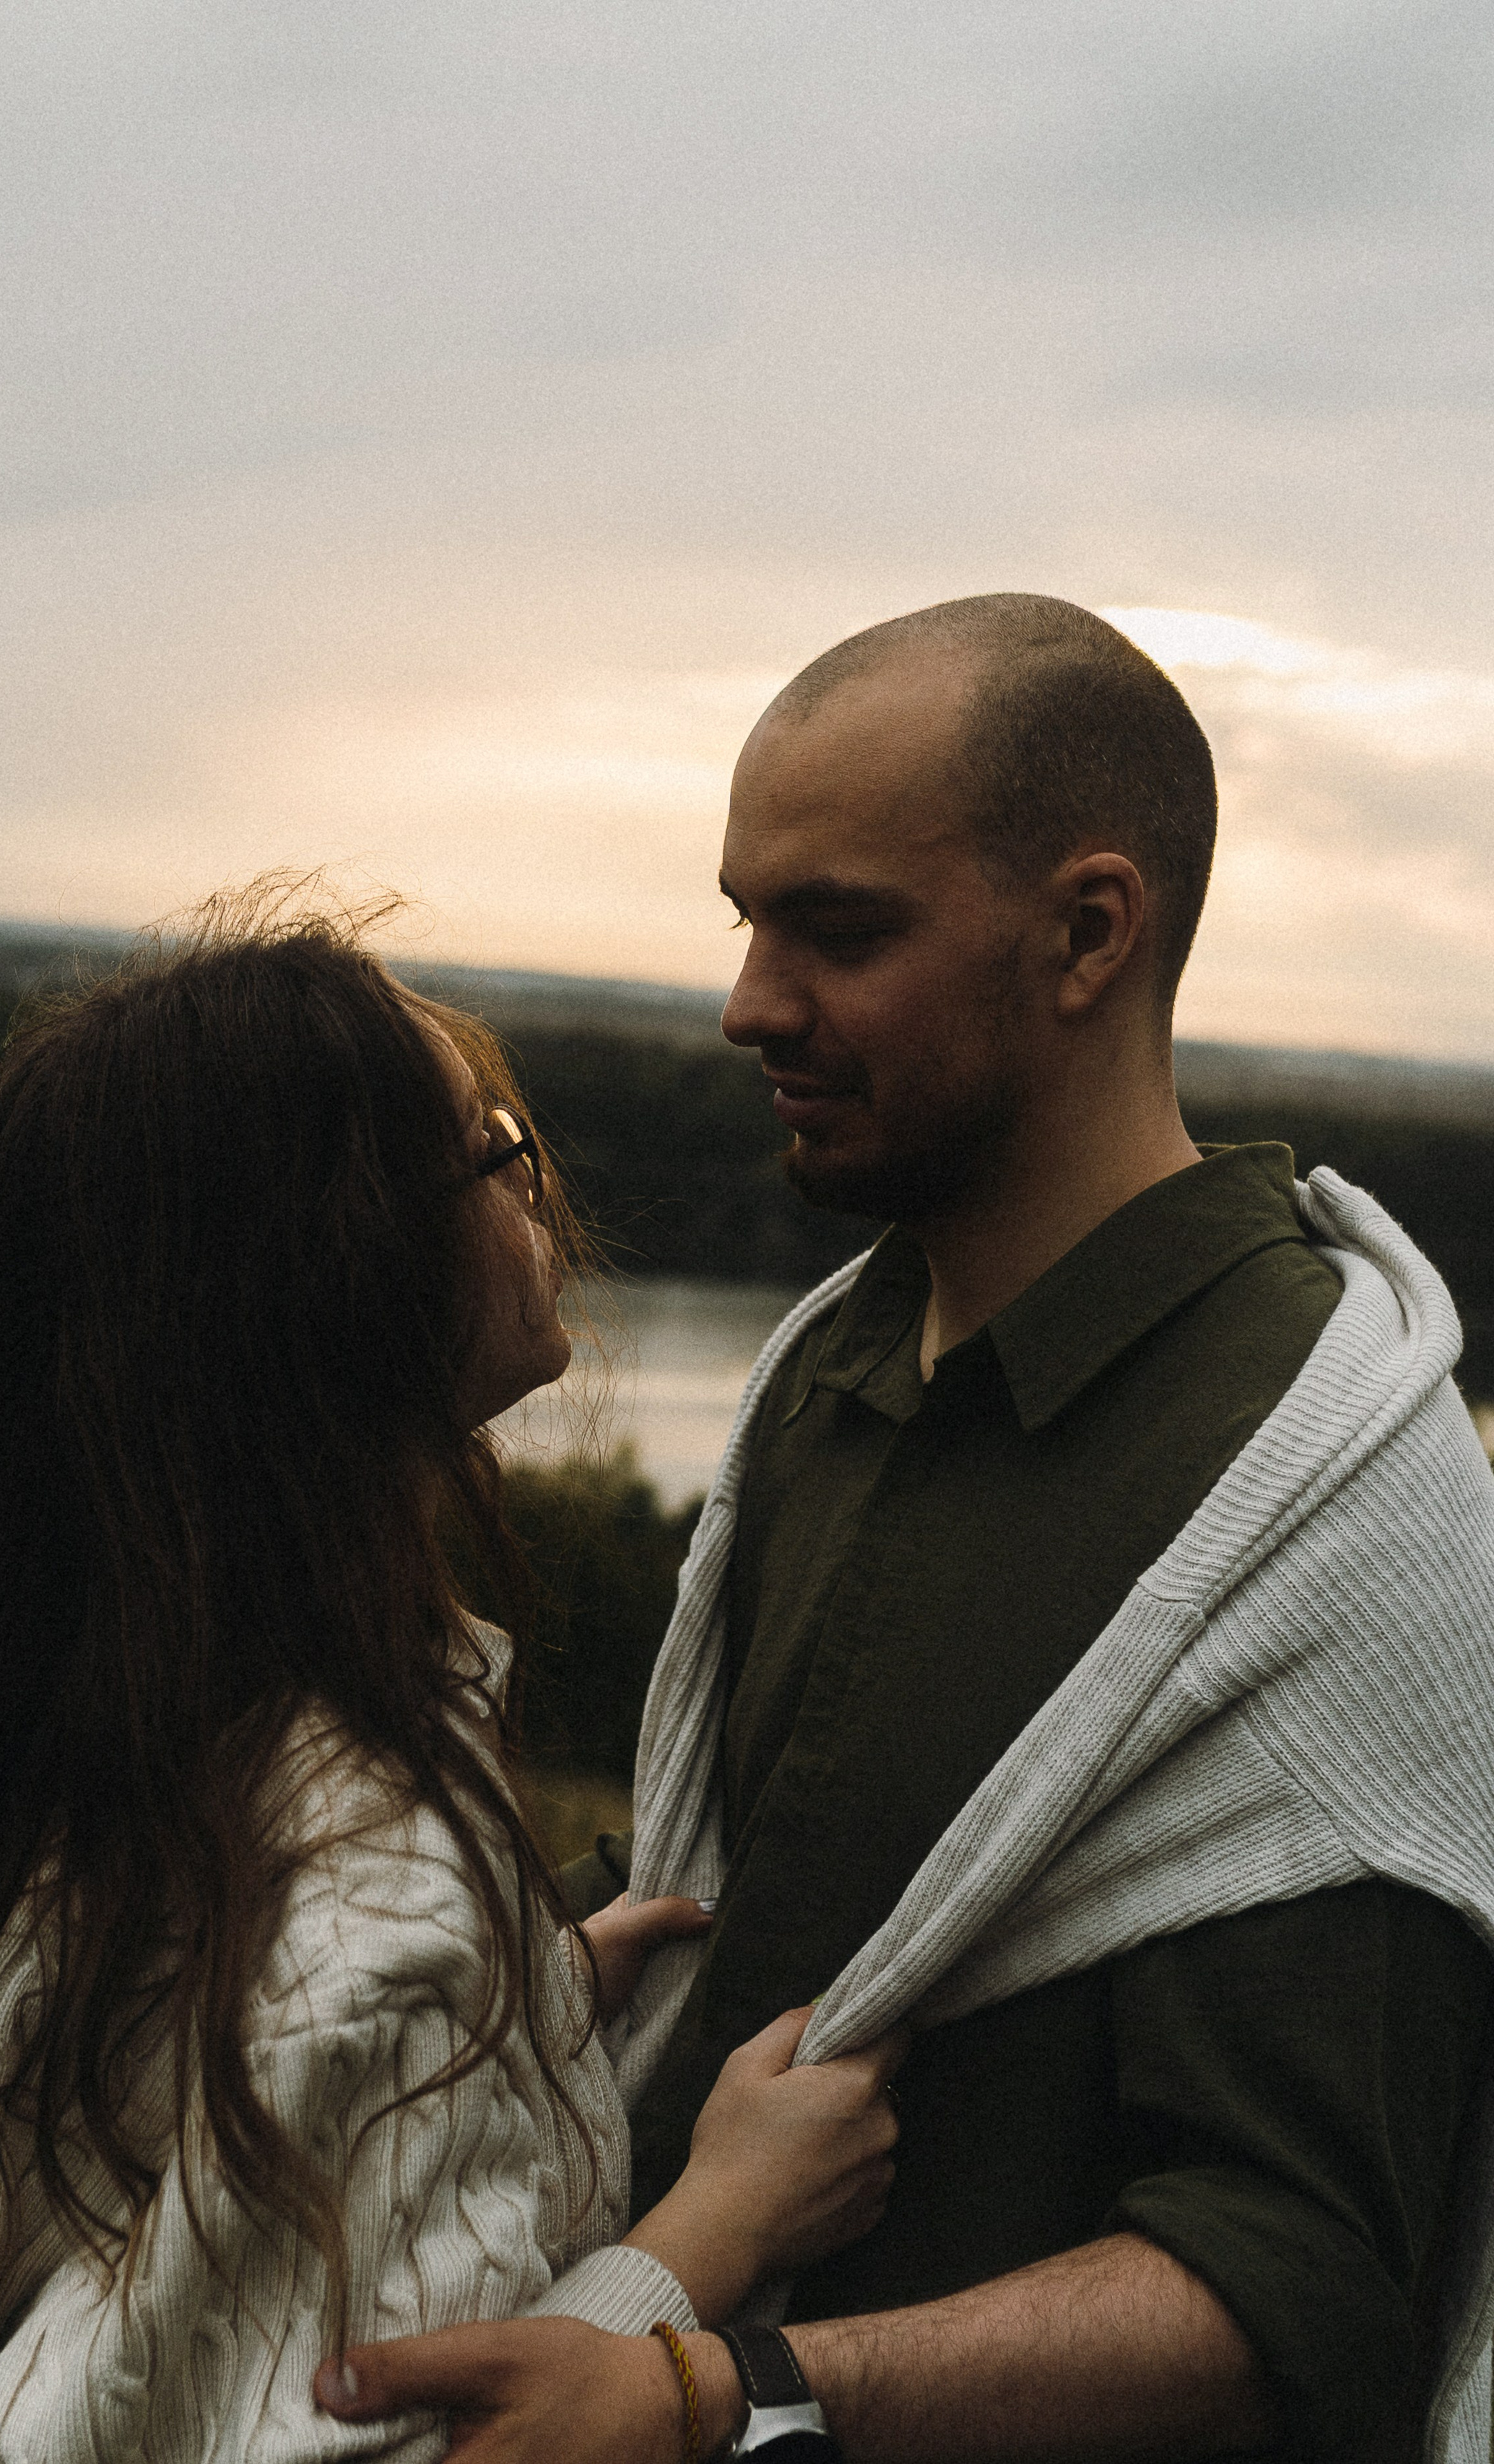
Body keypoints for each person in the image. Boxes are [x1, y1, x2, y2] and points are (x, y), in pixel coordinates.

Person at [313, 598, 1494, 2463]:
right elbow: (747, 1918)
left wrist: (731, 2392)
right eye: (747, 919)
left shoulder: (1319, 1468)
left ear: (1089, 929)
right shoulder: (829, 1364)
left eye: (841, 929)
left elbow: (1310, 2273)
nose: (749, 1000)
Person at [0, 884, 906, 2464]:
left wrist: (507, 2027)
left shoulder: (55, 1723)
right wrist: (711, 2229)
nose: (535, 1190)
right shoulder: (365, 1877)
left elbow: (167, 2189)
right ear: (342, 1274)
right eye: (493, 1151)